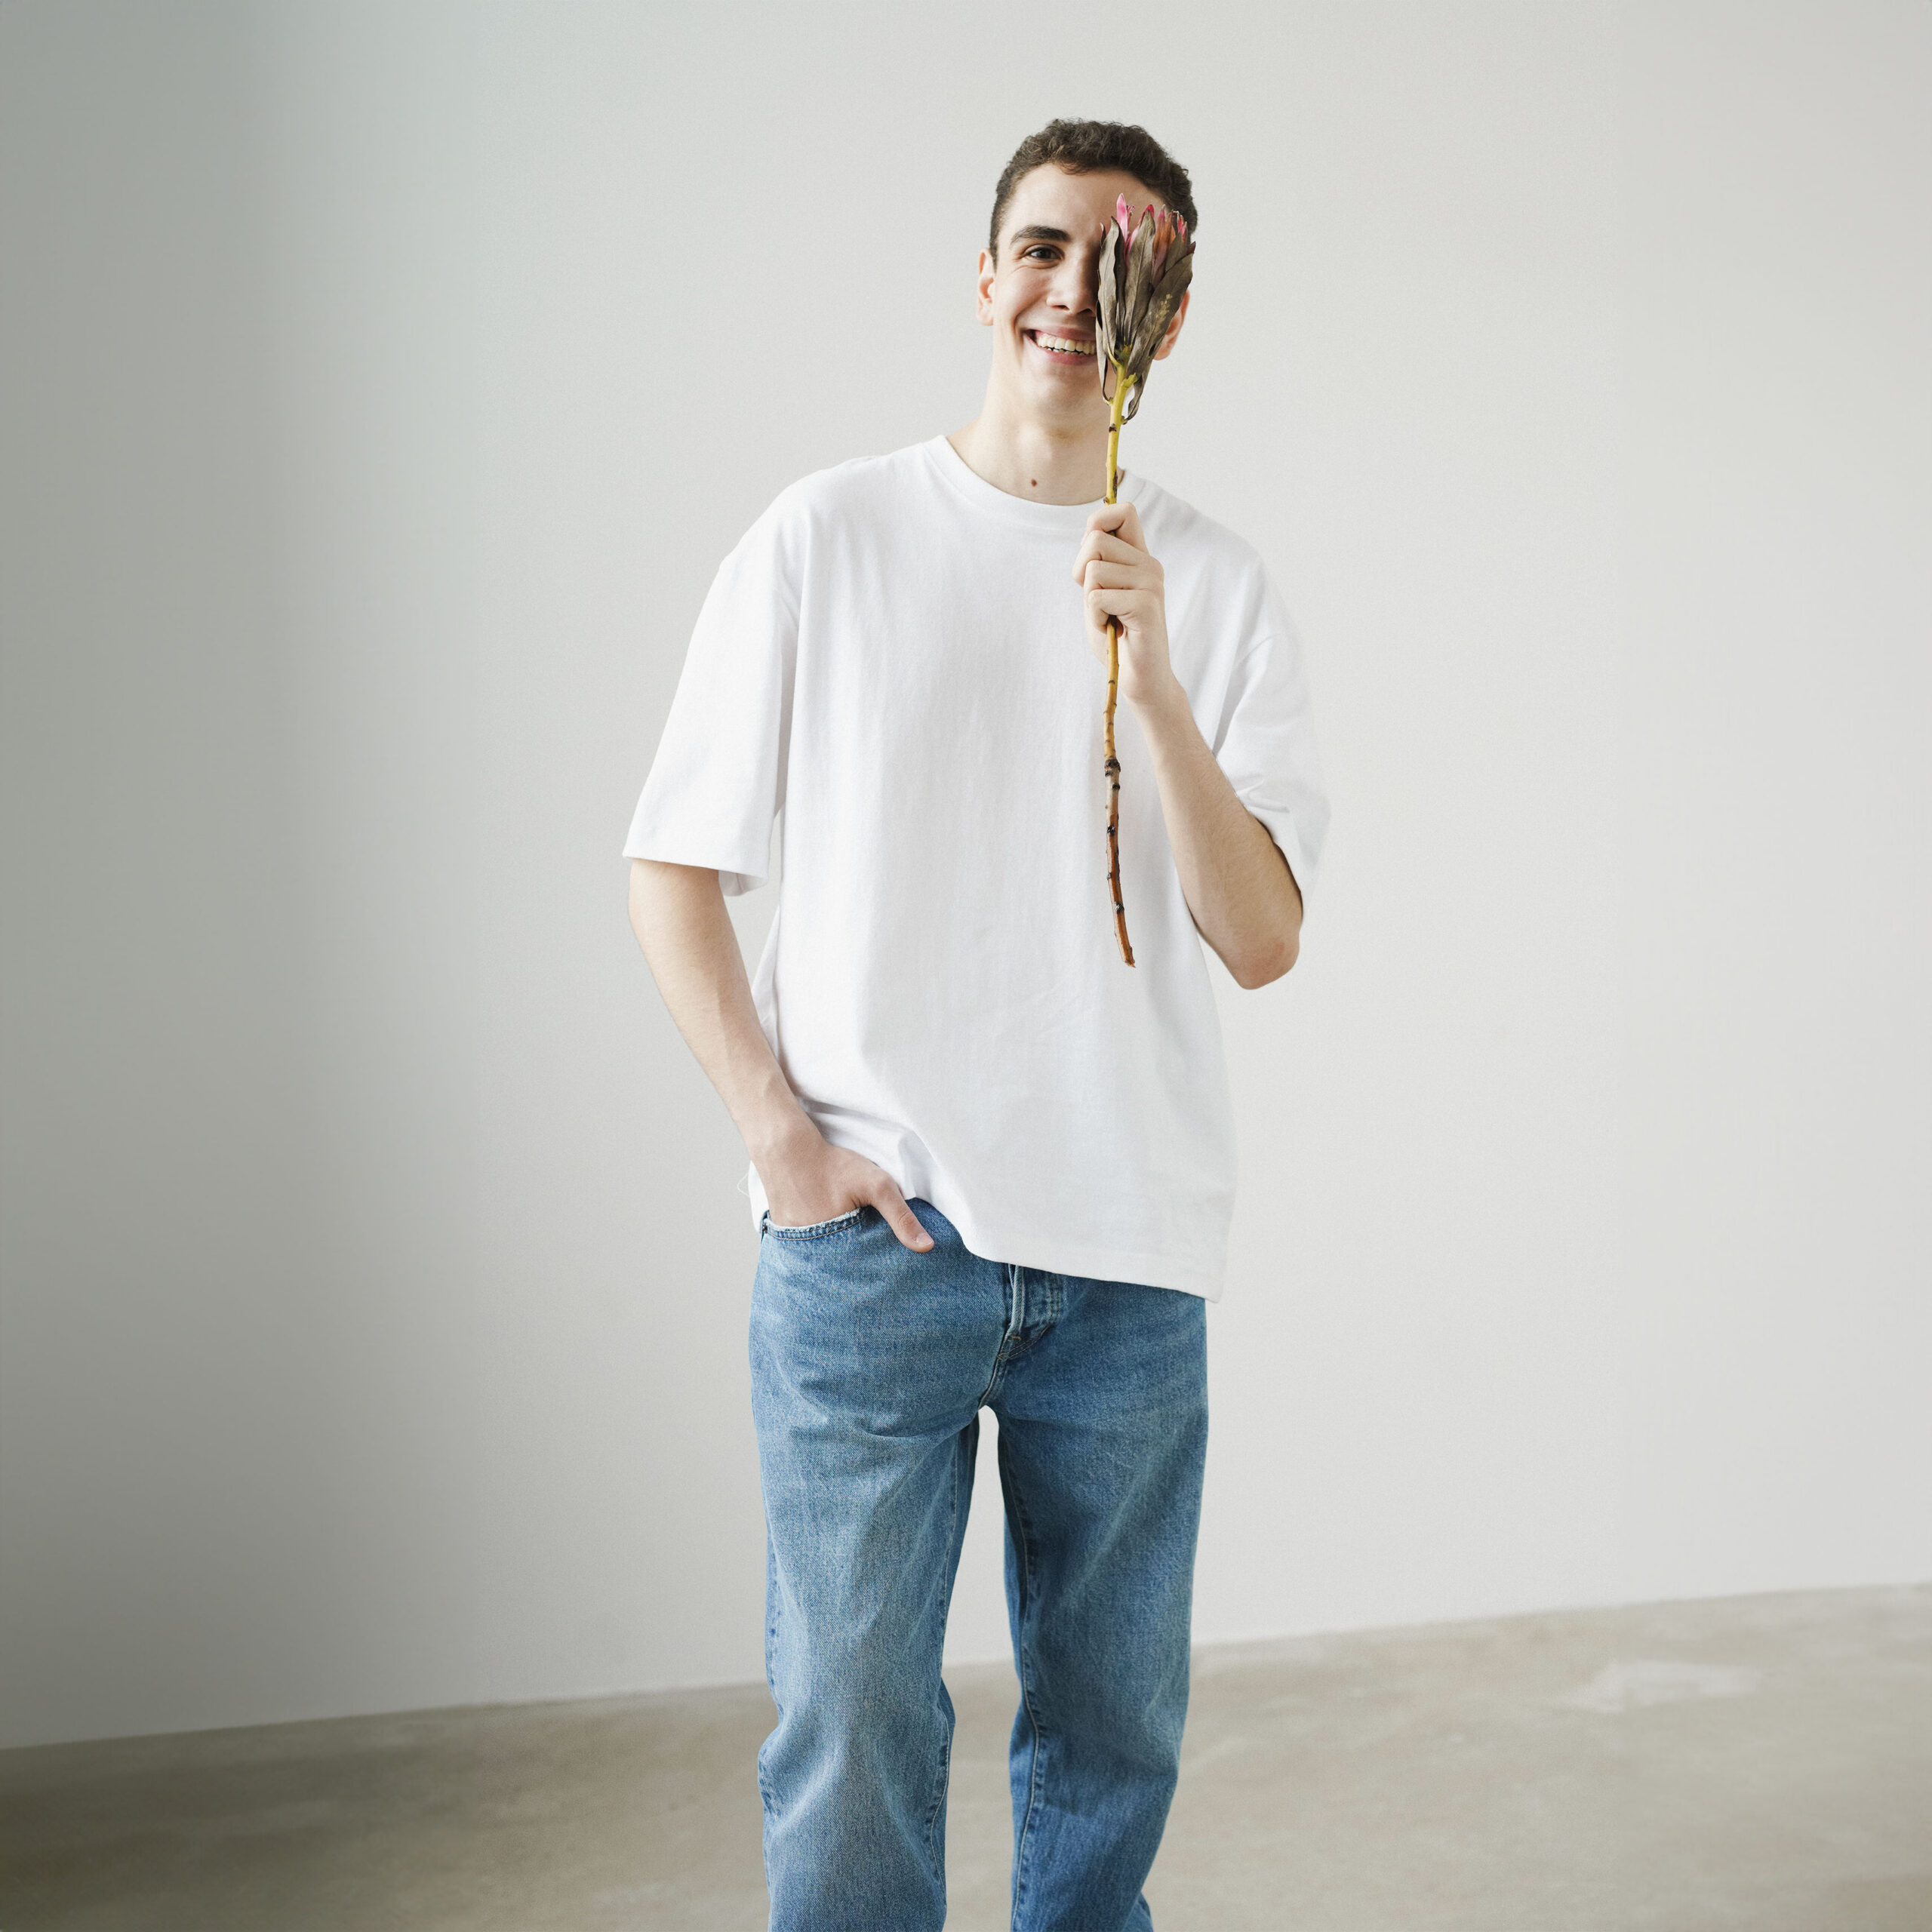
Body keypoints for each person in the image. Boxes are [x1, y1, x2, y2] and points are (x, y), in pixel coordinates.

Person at [625, 117, 1330, 1932]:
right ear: (984, 276)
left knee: (1113, 1727)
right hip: (876, 1251)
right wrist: (778, 1140)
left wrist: (1152, 684)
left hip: (1127, 1255)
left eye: (1118, 259)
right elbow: (670, 865)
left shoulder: (1215, 583)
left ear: (1170, 307)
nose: (1072, 290)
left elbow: (1259, 939)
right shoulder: (827, 535)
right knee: (851, 1718)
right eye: (1041, 246)